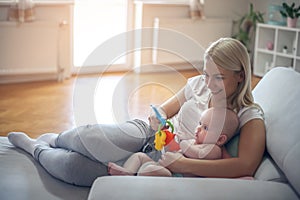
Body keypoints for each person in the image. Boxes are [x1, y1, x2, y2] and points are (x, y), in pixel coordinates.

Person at [8, 37, 265, 187]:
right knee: (91, 137)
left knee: (76, 170)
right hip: (149, 135)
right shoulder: (198, 84)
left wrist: (184, 163)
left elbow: (245, 165)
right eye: (206, 74)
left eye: (218, 78)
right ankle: (55, 139)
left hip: (166, 162)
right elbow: (165, 108)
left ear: (240, 76)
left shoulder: (248, 115)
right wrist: (157, 119)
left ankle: (34, 148)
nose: (208, 84)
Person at [108, 107, 239, 177]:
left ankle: (136, 176)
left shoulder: (213, 149)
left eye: (206, 128)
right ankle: (126, 172)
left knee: (153, 170)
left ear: (220, 139)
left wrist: (184, 143)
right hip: (166, 165)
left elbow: (193, 153)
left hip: (175, 175)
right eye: (200, 123)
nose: (198, 128)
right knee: (139, 156)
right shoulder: (197, 142)